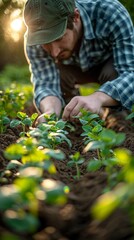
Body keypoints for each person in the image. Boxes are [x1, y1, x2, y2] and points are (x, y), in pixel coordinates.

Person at [23, 0, 134, 124]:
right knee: (59, 78)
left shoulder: (110, 13)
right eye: (46, 43)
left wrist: (98, 98)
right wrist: (50, 112)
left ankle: (116, 117)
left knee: (114, 73)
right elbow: (46, 83)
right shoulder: (34, 40)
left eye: (59, 38)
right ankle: (73, 114)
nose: (54, 53)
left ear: (76, 17)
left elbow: (130, 72)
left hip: (110, 67)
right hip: (72, 70)